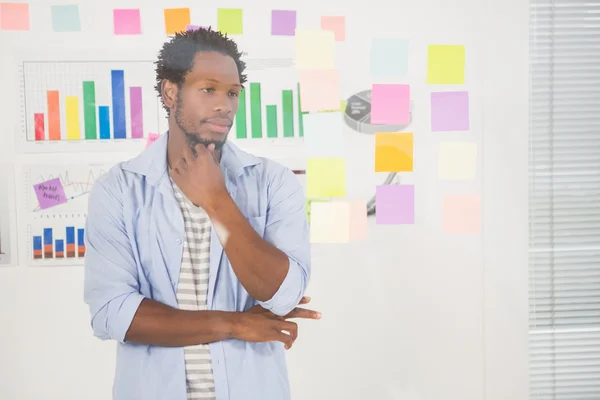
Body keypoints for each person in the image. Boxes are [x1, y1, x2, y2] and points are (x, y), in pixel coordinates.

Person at [83, 27, 320, 400]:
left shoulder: (274, 183)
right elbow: (114, 314)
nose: (225, 105)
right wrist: (236, 323)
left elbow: (283, 296)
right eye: (208, 89)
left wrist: (216, 201)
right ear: (171, 92)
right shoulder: (119, 190)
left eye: (232, 92)